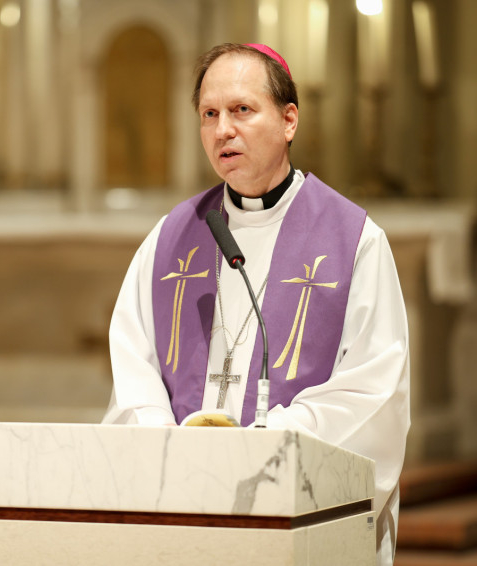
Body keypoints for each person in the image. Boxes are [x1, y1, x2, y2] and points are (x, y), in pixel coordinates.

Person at [102, 43, 410, 565]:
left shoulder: (353, 240)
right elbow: (134, 367)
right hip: (183, 511)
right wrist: (168, 447)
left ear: (289, 120)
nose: (222, 129)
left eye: (241, 109)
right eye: (209, 114)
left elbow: (372, 391)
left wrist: (265, 447)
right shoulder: (172, 236)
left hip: (290, 519)